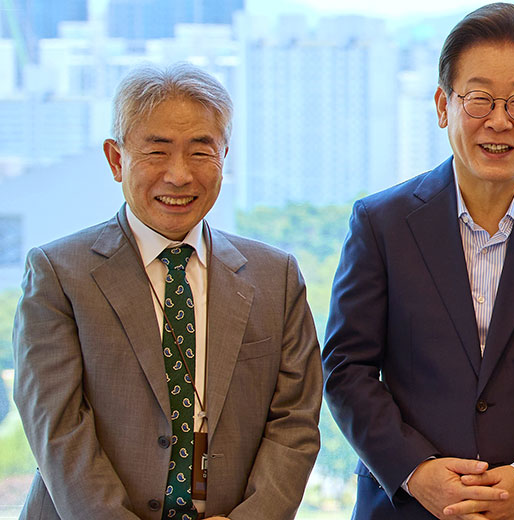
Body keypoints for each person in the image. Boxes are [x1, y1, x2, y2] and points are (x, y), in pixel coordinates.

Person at [322, 2, 514, 520]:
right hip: (409, 506)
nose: (500, 120)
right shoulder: (382, 224)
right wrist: (417, 472)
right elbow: (346, 368)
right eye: (480, 99)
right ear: (444, 105)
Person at [14, 63, 322, 520]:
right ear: (116, 159)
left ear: (224, 156)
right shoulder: (59, 274)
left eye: (201, 152)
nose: (179, 176)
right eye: (157, 152)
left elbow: (295, 423)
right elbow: (58, 431)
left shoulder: (275, 277)